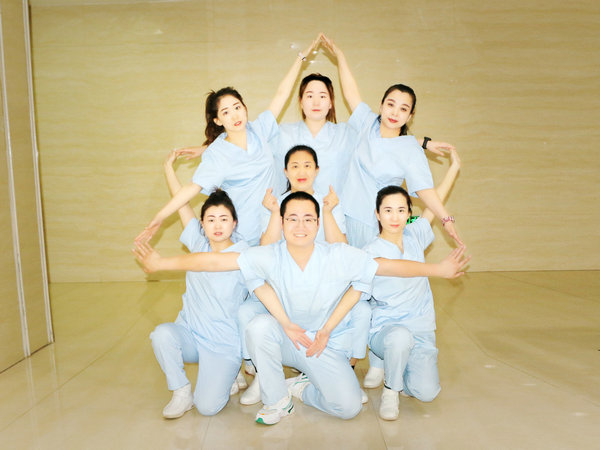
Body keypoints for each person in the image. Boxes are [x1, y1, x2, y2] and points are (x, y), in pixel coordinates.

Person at [134, 192, 470, 425]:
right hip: (286, 339)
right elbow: (214, 261)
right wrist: (161, 263)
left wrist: (437, 269)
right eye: (292, 218)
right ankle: (276, 399)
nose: (300, 225)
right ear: (281, 222)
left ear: (318, 223)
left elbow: (383, 266)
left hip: (321, 344)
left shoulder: (337, 255)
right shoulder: (268, 254)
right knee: (258, 326)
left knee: (348, 408)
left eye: (308, 218)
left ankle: (300, 389)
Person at [176, 34, 451, 198]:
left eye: (323, 96)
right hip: (294, 218)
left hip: (337, 216)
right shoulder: (282, 133)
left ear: (331, 102)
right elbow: (244, 141)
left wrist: (423, 143)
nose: (316, 101)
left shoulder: (346, 133)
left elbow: (384, 139)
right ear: (300, 102)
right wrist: (207, 148)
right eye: (309, 95)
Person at [135, 37, 321, 246]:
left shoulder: (259, 130)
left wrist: (301, 57)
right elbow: (192, 188)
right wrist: (160, 216)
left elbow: (281, 94)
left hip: (274, 228)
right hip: (243, 234)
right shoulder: (217, 154)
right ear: (218, 120)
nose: (234, 115)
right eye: (226, 112)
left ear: (245, 107)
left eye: (237, 107)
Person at [319, 34, 463, 248]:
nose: (395, 112)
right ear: (381, 105)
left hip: (377, 225)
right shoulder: (367, 123)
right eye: (391, 104)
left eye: (403, 109)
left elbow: (425, 190)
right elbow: (350, 93)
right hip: (345, 216)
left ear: (410, 116)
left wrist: (446, 219)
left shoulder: (410, 149)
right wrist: (340, 56)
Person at [361, 149, 462, 421]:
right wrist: (438, 269)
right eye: (388, 210)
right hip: (386, 331)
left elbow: (434, 202)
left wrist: (453, 168)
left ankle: (399, 368)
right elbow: (396, 267)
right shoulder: (370, 251)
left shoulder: (415, 234)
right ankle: (390, 390)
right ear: (377, 214)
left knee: (425, 392)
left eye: (401, 210)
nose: (394, 217)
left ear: (408, 213)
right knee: (399, 338)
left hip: (421, 329)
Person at [147, 168, 250, 418]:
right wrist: (169, 169)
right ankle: (181, 392)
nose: (217, 225)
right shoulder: (198, 242)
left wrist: (161, 263)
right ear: (202, 224)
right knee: (161, 334)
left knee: (207, 407)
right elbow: (182, 203)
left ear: (234, 223)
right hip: (192, 335)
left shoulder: (244, 253)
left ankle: (230, 372)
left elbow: (210, 262)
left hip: (223, 344)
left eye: (224, 219)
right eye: (211, 219)